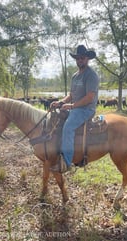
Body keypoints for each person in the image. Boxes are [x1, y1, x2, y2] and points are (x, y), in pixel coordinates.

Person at [50, 45, 99, 173]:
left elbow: (89, 97)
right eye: (77, 58)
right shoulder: (75, 76)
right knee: (57, 120)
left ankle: (66, 163)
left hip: (86, 109)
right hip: (76, 108)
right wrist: (61, 102)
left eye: (82, 58)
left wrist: (72, 106)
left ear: (87, 58)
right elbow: (71, 95)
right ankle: (58, 151)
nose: (80, 60)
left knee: (68, 127)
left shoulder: (91, 75)